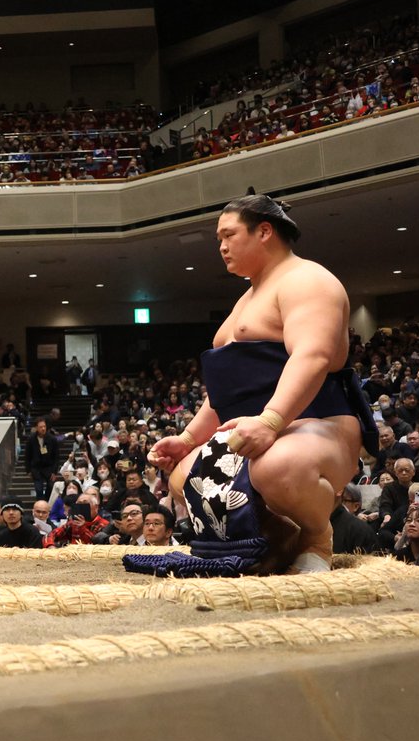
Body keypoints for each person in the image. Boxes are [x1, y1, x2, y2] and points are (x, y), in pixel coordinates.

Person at [142, 194, 377, 576]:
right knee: (184, 474)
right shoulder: (247, 299)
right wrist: (187, 439)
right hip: (253, 426)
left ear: (264, 231)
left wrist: (271, 421)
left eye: (228, 235)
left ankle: (317, 537)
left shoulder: (308, 280)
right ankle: (280, 537)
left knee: (276, 467)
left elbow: (312, 356)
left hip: (319, 422)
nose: (221, 247)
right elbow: (229, 391)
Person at [24, 417, 59, 501]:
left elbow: (56, 456)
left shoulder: (52, 439)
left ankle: (46, 502)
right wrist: (28, 470)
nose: (43, 429)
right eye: (40, 427)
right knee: (38, 489)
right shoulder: (31, 439)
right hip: (36, 468)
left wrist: (55, 471)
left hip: (49, 467)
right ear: (36, 428)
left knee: (50, 486)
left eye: (44, 426)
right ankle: (40, 504)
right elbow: (27, 456)